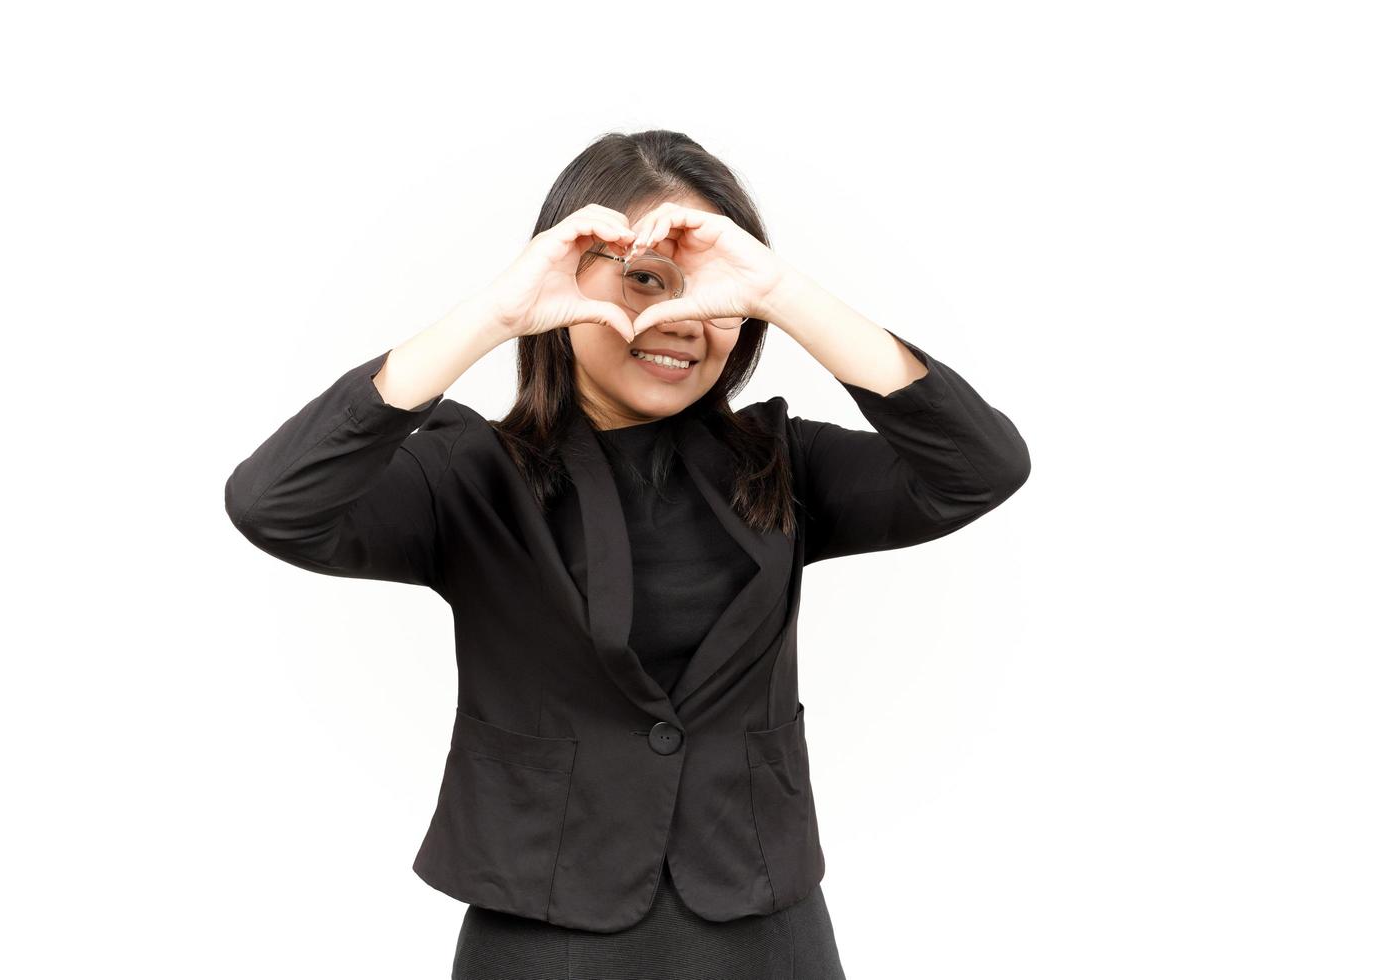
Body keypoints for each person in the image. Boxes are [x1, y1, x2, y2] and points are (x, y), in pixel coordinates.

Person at [225, 129, 1031, 979]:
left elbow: (981, 468)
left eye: (715, 295)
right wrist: (494, 315)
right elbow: (274, 504)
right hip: (545, 937)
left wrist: (782, 290)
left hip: (765, 933)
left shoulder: (785, 466)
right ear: (564, 277)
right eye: (646, 279)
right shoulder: (466, 478)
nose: (681, 321)